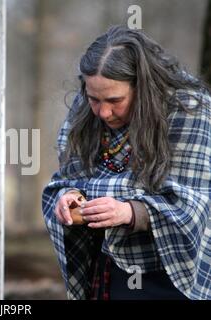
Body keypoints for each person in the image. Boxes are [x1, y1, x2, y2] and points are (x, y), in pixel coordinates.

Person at [42, 25, 211, 300]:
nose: (103, 112)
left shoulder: (190, 110)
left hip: (176, 272)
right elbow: (69, 177)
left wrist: (130, 212)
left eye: (114, 100)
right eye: (94, 99)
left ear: (142, 85)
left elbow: (193, 203)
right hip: (112, 263)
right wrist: (70, 196)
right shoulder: (85, 108)